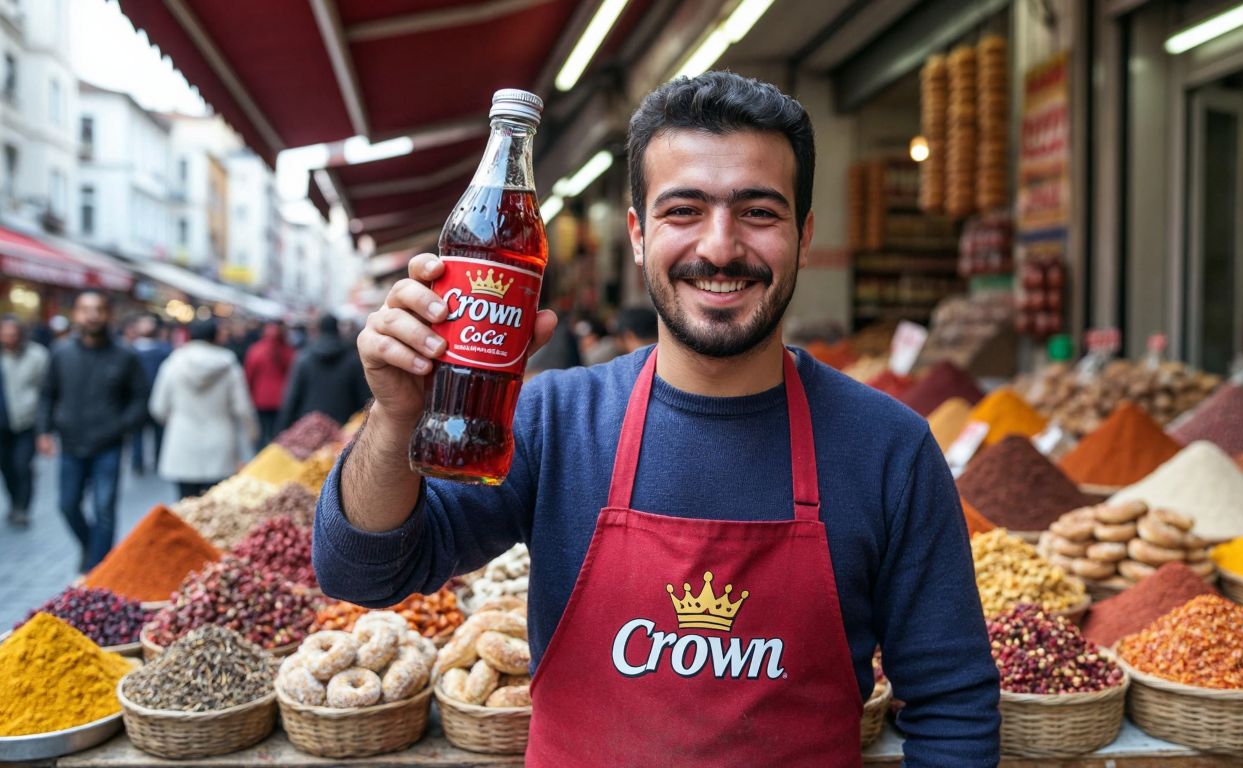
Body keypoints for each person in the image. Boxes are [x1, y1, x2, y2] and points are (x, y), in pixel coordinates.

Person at [315, 72, 999, 765]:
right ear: (638, 236)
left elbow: (953, 706)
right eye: (684, 211)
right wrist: (397, 414)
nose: (721, 247)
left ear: (804, 234)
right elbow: (361, 573)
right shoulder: (555, 422)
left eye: (759, 212)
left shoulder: (890, 450)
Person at [38, 291, 148, 572]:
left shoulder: (125, 354)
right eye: (85, 309)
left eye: (98, 309)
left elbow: (140, 397)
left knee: (104, 510)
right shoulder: (61, 352)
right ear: (76, 314)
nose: (92, 315)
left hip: (108, 445)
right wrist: (45, 431)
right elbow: (47, 394)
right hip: (71, 443)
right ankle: (92, 550)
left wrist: (123, 426)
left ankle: (97, 569)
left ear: (108, 314)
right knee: (67, 505)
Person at [150, 318, 255, 499]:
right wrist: (252, 436)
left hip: (182, 440)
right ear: (215, 337)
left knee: (186, 505)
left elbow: (158, 407)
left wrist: (175, 420)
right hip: (221, 440)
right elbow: (243, 408)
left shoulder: (173, 363)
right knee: (214, 508)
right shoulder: (229, 365)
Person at [277, 314, 370, 429]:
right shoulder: (352, 359)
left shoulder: (304, 357)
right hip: (344, 428)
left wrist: (281, 429)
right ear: (337, 329)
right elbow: (364, 397)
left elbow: (292, 397)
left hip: (308, 428)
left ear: (318, 329)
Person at [0, 317, 49, 527]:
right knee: (7, 467)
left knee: (22, 465)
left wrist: (44, 427)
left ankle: (23, 507)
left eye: (13, 334)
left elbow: (46, 390)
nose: (9, 338)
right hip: (2, 423)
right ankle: (14, 501)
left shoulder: (37, 355)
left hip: (27, 422)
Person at [128, 314, 171, 475]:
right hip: (138, 398)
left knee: (158, 432)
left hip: (157, 396)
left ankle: (158, 460)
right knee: (138, 434)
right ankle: (138, 462)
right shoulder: (130, 350)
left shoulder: (164, 349)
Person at [243, 320, 296, 447]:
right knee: (278, 436)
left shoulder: (256, 350)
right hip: (282, 400)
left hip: (260, 400)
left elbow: (249, 376)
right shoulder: (289, 352)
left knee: (261, 435)